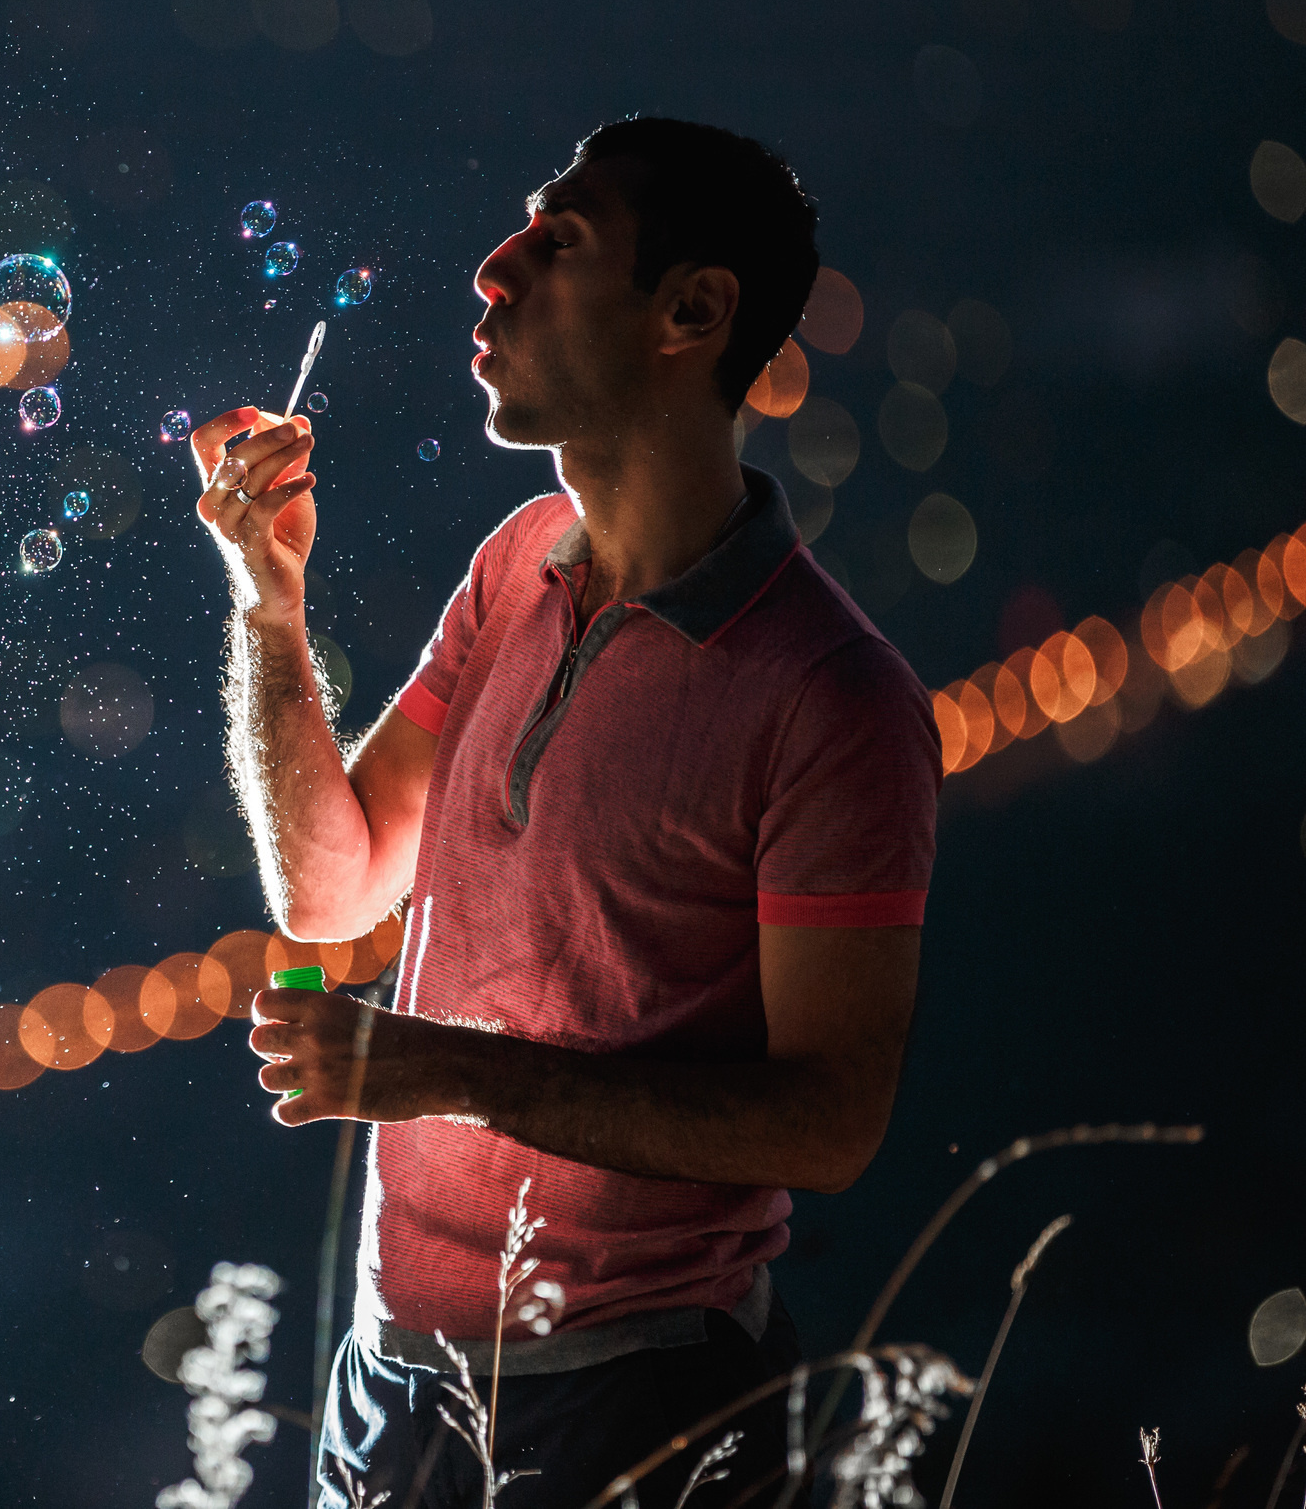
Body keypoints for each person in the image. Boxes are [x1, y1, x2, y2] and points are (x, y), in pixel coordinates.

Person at [190, 120, 940, 1507]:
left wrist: (447, 1071)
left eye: (560, 243)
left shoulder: (831, 697)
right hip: (387, 1373)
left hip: (636, 1401)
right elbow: (331, 886)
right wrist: (266, 601)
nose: (492, 270)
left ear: (694, 311)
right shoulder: (516, 563)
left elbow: (829, 1123)